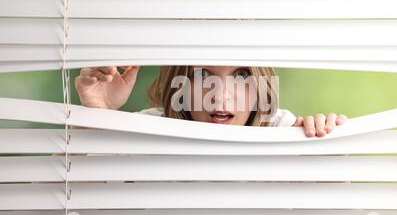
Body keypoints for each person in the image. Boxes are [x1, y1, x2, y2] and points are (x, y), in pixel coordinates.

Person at [75, 65, 347, 137]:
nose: (221, 95)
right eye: (203, 74)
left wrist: (324, 153)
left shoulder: (280, 130)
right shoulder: (148, 130)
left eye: (241, 74)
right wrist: (98, 117)